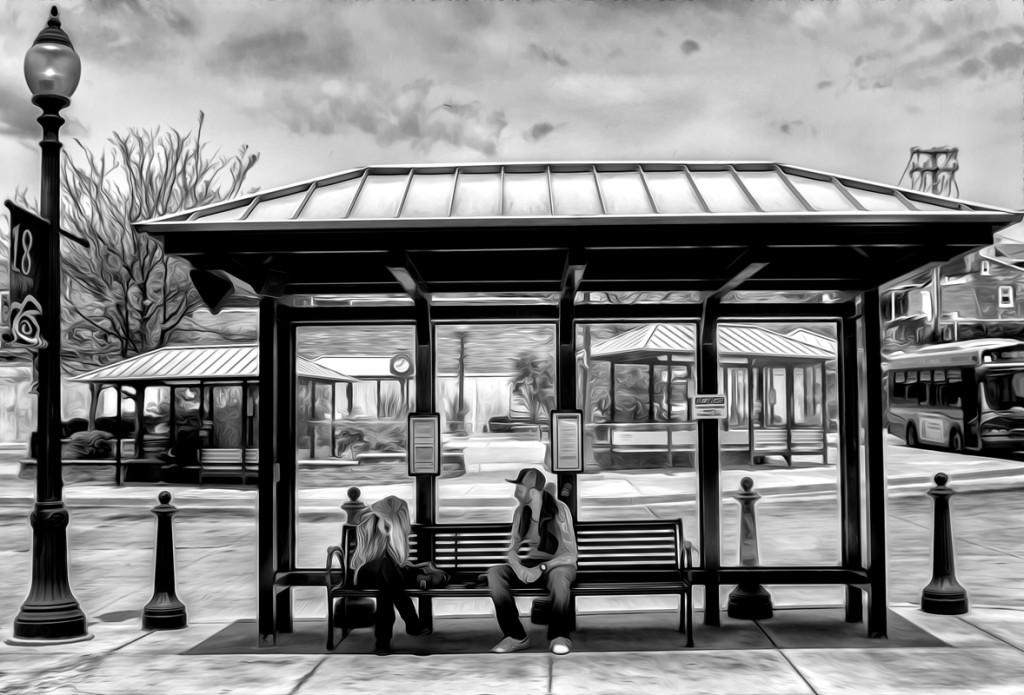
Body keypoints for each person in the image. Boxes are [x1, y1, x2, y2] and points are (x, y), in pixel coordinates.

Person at [487, 467, 578, 656]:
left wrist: (542, 567)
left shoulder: (560, 510)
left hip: (558, 565)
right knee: (495, 573)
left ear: (534, 492)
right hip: (533, 564)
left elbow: (571, 555)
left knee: (560, 578)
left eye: (520, 489)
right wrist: (518, 567)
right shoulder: (521, 512)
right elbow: (512, 549)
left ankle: (559, 636)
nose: (515, 493)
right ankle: (516, 636)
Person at [349, 510, 431, 655]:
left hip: (385, 579)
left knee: (385, 589)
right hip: (365, 575)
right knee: (386, 567)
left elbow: (399, 561)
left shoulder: (388, 536)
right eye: (384, 523)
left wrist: (390, 542)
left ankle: (382, 642)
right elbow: (360, 561)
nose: (387, 526)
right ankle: (412, 622)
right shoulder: (365, 532)